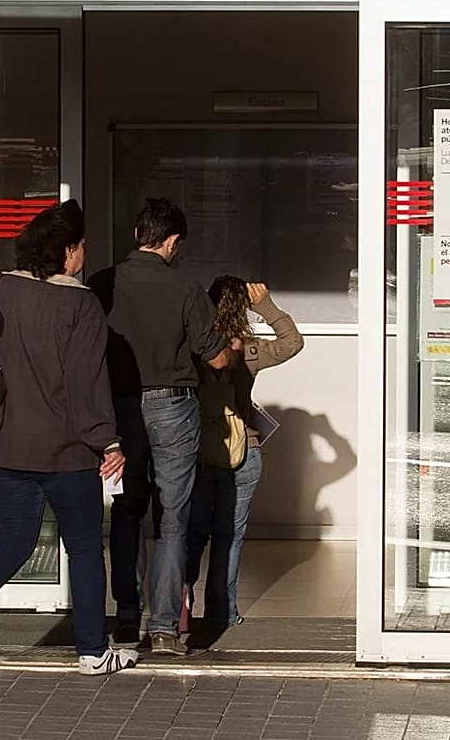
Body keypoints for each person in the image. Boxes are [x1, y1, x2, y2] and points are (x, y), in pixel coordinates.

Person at [0, 200, 137, 677]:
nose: (85, 254)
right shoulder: (81, 304)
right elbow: (87, 381)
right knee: (86, 547)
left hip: (4, 445)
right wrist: (107, 441)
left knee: (15, 542)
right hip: (66, 451)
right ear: (67, 250)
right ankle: (92, 651)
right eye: (82, 246)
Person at [87, 198, 231, 657]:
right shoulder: (186, 288)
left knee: (127, 510)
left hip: (118, 408)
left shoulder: (101, 284)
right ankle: (166, 626)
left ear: (136, 236)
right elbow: (216, 357)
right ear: (171, 242)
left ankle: (127, 618)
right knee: (173, 517)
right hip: (172, 405)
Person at [185, 278, 304, 635]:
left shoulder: (192, 350)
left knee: (192, 533)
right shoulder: (250, 350)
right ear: (243, 308)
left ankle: (179, 604)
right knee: (230, 535)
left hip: (198, 451)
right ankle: (222, 611)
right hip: (244, 450)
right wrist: (266, 305)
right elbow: (292, 343)